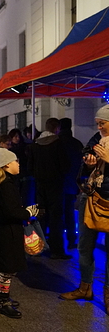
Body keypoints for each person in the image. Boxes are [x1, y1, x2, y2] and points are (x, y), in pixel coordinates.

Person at [59, 104, 109, 313]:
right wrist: (89, 159)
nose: (99, 128)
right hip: (91, 198)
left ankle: (107, 294)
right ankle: (85, 287)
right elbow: (87, 149)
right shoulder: (97, 139)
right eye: (97, 124)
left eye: (103, 123)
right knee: (84, 246)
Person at [0, 148, 39, 319]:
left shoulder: (6, 183)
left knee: (8, 268)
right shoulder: (7, 185)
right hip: (7, 233)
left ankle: (1, 294)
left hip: (5, 230)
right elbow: (12, 211)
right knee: (8, 268)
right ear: (7, 165)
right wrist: (29, 213)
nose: (18, 164)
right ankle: (2, 299)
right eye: (16, 161)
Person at [27, 118, 71, 259]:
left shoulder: (35, 145)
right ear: (56, 128)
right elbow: (65, 165)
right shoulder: (58, 144)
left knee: (41, 216)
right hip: (56, 185)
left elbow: (30, 167)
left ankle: (38, 248)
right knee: (56, 218)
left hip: (40, 184)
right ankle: (56, 250)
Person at [58, 118, 84, 249]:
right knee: (69, 212)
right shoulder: (76, 144)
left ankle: (56, 241)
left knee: (57, 212)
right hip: (72, 183)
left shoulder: (56, 143)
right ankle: (72, 239)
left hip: (57, 184)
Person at [9, 128, 34, 206]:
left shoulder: (25, 147)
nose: (17, 138)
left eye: (18, 136)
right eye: (15, 136)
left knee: (26, 195)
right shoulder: (9, 149)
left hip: (24, 173)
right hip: (14, 175)